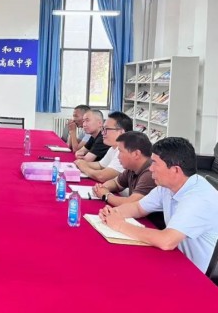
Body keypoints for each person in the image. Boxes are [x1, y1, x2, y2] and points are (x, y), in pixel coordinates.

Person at [100, 137, 218, 273]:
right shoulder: (166, 187)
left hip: (194, 273)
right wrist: (113, 213)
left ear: (175, 170)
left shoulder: (198, 198)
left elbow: (166, 241)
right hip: (174, 258)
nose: (150, 168)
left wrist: (120, 225)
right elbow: (138, 208)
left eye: (155, 163)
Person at [92, 131, 155, 206]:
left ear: (136, 154)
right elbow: (116, 183)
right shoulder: (132, 167)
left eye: (121, 151)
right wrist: (103, 188)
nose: (118, 156)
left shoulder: (151, 172)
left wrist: (106, 195)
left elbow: (131, 203)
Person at [76, 111, 132, 182]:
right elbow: (100, 165)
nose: (102, 133)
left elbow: (102, 176)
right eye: (103, 129)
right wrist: (81, 163)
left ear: (121, 132)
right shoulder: (113, 147)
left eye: (106, 129)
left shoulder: (126, 150)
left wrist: (83, 167)